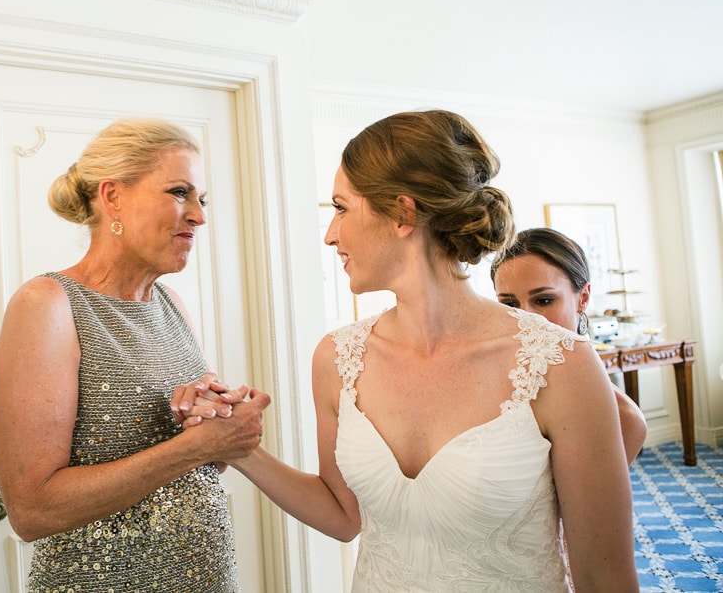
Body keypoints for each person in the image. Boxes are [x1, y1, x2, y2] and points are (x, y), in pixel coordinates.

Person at [180, 109, 638, 591]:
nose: (330, 234)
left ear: (402, 213)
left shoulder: (561, 363)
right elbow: (343, 516)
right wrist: (241, 449)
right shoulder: (337, 358)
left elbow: (605, 576)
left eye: (340, 208)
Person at [0, 117, 269, 592]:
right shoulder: (48, 305)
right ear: (112, 196)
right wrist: (195, 446)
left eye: (201, 199)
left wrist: (215, 423)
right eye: (179, 192)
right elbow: (32, 511)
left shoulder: (171, 305)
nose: (199, 214)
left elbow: (204, 463)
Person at [489, 227, 647, 463]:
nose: (525, 319)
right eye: (510, 304)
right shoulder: (488, 375)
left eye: (543, 301)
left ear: (583, 298)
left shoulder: (625, 418)